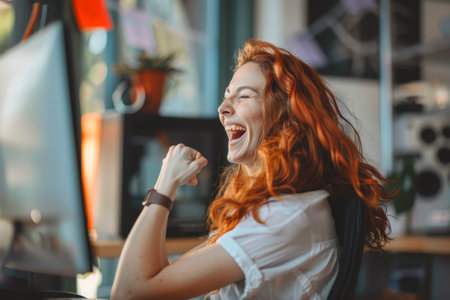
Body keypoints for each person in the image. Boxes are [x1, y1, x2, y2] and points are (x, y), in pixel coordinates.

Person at [111, 39, 392, 300]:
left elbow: (130, 292)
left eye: (243, 97)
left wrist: (164, 187)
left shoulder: (281, 219)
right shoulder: (282, 208)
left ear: (286, 116)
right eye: (226, 97)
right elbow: (160, 279)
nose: (223, 108)